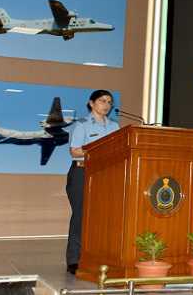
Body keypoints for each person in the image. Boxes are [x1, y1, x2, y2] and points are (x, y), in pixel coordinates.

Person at [66, 90, 119, 275]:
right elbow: (74, 151)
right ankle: (74, 259)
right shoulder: (82, 125)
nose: (106, 105)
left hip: (104, 175)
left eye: (109, 102)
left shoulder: (114, 126)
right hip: (82, 173)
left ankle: (97, 257)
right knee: (81, 216)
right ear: (91, 103)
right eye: (102, 101)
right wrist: (98, 150)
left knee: (102, 217)